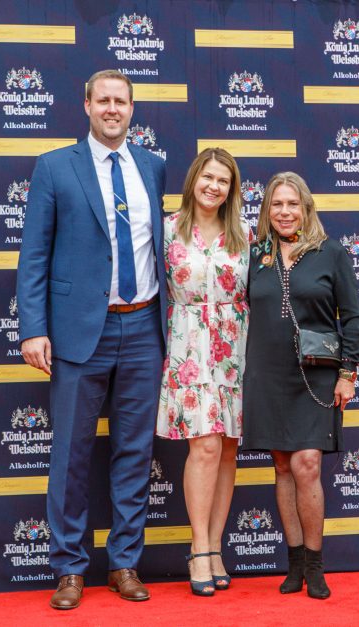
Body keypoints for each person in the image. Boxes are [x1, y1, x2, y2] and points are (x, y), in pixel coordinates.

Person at [16, 70, 167, 610]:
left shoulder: (152, 166)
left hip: (145, 327)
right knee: (71, 455)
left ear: (132, 108)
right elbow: (33, 254)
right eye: (102, 100)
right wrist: (33, 328)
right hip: (81, 332)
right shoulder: (56, 166)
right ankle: (69, 569)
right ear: (86, 105)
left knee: (134, 453)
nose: (112, 109)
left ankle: (125, 563)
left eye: (120, 101)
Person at [242, 172, 359, 600]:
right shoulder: (255, 253)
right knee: (281, 467)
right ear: (266, 211)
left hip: (316, 376)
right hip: (266, 373)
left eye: (293, 204)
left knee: (306, 464)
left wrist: (348, 374)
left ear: (306, 208)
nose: (285, 212)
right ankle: (293, 563)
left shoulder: (331, 253)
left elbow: (352, 317)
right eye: (276, 205)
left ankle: (315, 564)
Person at [154, 148, 251, 596]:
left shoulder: (245, 235)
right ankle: (198, 549)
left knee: (228, 449)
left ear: (233, 190)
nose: (215, 186)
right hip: (187, 347)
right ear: (194, 178)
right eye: (208, 177)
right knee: (206, 446)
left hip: (235, 350)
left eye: (224, 181)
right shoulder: (166, 229)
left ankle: (215, 546)